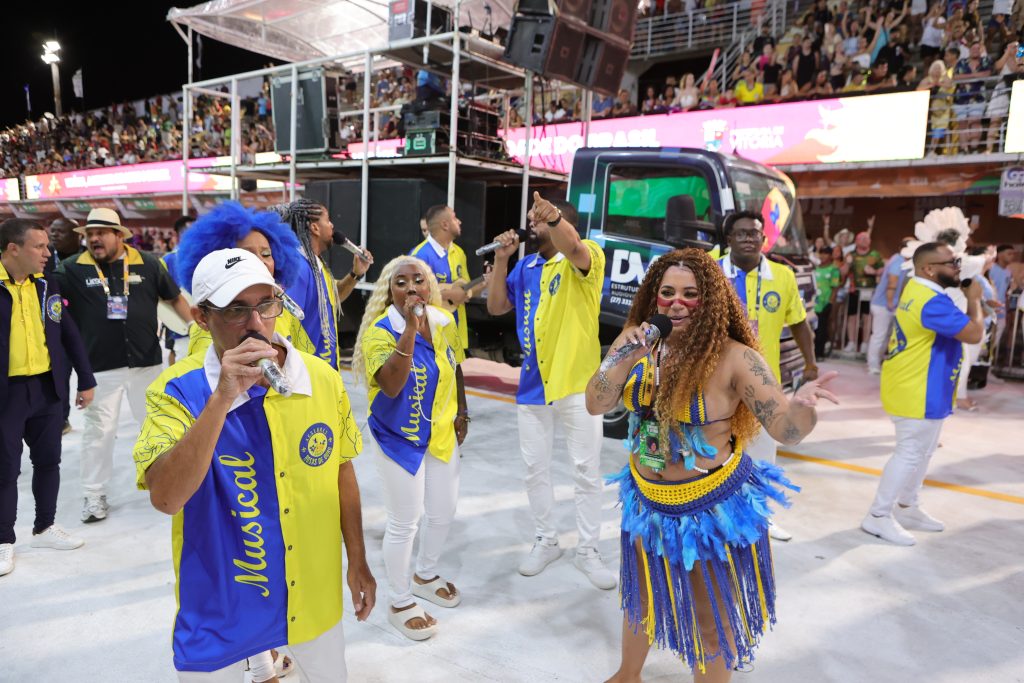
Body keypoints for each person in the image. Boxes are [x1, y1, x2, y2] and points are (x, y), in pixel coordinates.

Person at [585, 248, 838, 682]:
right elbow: (596, 402)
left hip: (707, 510)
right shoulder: (637, 342)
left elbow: (786, 430)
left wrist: (802, 408)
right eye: (666, 293)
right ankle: (628, 675)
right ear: (652, 298)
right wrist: (620, 357)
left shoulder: (736, 358)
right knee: (639, 594)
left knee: (708, 613)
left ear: (712, 300)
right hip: (646, 500)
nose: (676, 303)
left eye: (690, 293)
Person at [133, 248, 375, 680]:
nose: (257, 323)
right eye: (236, 310)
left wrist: (357, 557)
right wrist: (222, 397)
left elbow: (341, 470)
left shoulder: (320, 379)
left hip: (312, 591)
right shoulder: (176, 391)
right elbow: (167, 498)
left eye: (266, 304)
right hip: (225, 596)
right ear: (201, 316)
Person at [486, 192, 615, 589]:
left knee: (585, 470)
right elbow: (494, 308)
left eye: (538, 218)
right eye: (532, 217)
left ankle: (588, 550)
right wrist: (503, 259)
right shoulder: (525, 266)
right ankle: (546, 539)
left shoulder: (585, 257)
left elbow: (573, 245)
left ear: (562, 220)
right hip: (532, 385)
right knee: (534, 469)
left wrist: (554, 217)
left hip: (577, 384)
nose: (532, 222)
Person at [352, 256, 468, 641]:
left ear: (428, 286)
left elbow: (455, 365)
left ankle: (425, 574)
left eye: (418, 280)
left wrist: (462, 410)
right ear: (391, 291)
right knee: (405, 521)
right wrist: (411, 329)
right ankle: (400, 600)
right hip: (397, 436)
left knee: (443, 511)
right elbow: (391, 385)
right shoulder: (380, 331)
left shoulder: (443, 321)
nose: (412, 287)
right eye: (401, 282)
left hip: (438, 432)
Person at [55, 208, 192, 524]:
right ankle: (93, 494)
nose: (94, 239)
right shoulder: (71, 269)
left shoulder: (147, 262)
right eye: (89, 234)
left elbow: (173, 299)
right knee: (99, 432)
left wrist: (194, 328)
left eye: (101, 233)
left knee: (159, 426)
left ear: (119, 234)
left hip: (147, 363)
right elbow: (51, 305)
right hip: (100, 368)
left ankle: (169, 483)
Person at [862, 242, 984, 545]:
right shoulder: (931, 300)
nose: (957, 266)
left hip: (927, 385)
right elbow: (973, 333)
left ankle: (908, 505)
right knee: (909, 452)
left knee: (924, 451)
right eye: (951, 262)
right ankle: (877, 516)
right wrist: (976, 300)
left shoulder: (920, 291)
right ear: (928, 269)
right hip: (917, 388)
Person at [1, 219, 96, 577]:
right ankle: (2, 540)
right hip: (7, 393)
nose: (47, 252)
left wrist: (85, 379)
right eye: (39, 246)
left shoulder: (46, 285)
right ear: (14, 248)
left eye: (47, 246)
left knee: (48, 462)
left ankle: (43, 527)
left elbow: (68, 333)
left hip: (46, 389)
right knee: (5, 470)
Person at [717, 211, 818, 542]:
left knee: (762, 454)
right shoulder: (709, 271)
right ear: (728, 239)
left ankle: (761, 517)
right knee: (717, 451)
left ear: (764, 239)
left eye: (754, 233)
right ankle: (717, 513)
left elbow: (799, 322)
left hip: (763, 381)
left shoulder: (783, 276)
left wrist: (810, 363)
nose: (749, 238)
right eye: (741, 233)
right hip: (716, 380)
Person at [174, 202, 306, 364]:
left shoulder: (281, 309)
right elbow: (207, 379)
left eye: (266, 254)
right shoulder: (213, 323)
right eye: (246, 255)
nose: (260, 262)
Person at [275, 200, 374, 372]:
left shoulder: (316, 264)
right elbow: (282, 324)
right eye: (327, 220)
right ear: (315, 228)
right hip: (307, 373)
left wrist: (356, 273)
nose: (332, 225)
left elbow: (334, 297)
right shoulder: (298, 269)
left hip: (325, 367)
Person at [410, 205, 477, 353]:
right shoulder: (420, 255)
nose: (459, 221)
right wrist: (449, 294)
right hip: (431, 339)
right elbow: (412, 297)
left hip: (454, 335)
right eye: (454, 217)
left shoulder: (459, 253)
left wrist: (488, 280)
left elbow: (467, 288)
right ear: (445, 224)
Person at [47, 217, 83, 433]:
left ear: (77, 235)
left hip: (87, 328)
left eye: (60, 232)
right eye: (52, 231)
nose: (54, 235)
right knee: (59, 375)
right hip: (57, 329)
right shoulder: (45, 256)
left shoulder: (88, 259)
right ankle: (61, 419)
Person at [866, 238, 913, 374]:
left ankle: (878, 361)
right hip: (883, 304)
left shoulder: (904, 261)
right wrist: (891, 303)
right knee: (879, 335)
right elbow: (892, 283)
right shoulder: (897, 260)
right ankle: (872, 365)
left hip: (890, 305)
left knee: (886, 336)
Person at [160, 215, 196, 366]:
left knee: (179, 355)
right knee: (181, 356)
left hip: (180, 321)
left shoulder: (166, 259)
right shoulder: (167, 260)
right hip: (178, 321)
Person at [842, 230, 884, 354]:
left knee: (867, 317)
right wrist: (848, 263)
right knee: (852, 317)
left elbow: (883, 269)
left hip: (869, 290)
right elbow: (842, 272)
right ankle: (851, 342)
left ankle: (865, 343)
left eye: (867, 238)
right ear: (856, 241)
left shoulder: (875, 255)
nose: (865, 240)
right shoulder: (851, 255)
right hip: (854, 290)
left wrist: (875, 272)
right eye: (862, 238)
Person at [814, 244, 841, 360]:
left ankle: (819, 353)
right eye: (821, 253)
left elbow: (835, 288)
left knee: (822, 328)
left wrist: (830, 302)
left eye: (826, 253)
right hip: (813, 303)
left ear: (830, 256)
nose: (823, 256)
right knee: (812, 329)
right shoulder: (815, 268)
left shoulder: (834, 270)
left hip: (824, 303)